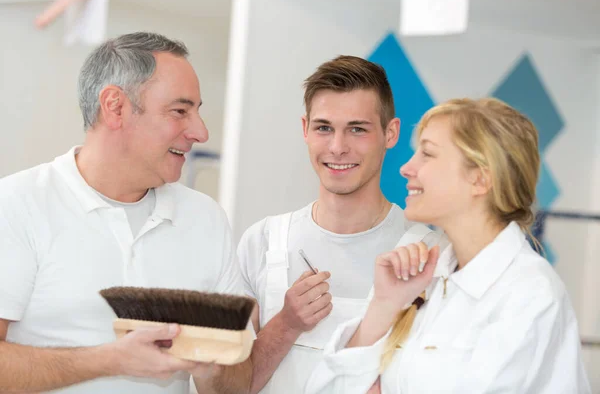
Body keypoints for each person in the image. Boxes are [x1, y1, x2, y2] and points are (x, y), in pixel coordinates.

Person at [0, 32, 251, 394]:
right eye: (180, 111)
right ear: (115, 107)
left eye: (197, 111)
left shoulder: (206, 218)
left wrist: (212, 366)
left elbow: (237, 385)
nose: (200, 131)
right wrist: (110, 359)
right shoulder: (15, 205)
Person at [305, 98, 592, 393]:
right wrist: (384, 306)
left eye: (427, 154)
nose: (406, 167)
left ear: (480, 180)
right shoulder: (421, 277)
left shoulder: (529, 294)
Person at [237, 55, 433, 394]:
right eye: (324, 128)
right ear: (305, 130)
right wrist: (286, 324)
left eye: (357, 129)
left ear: (391, 133)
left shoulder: (429, 254)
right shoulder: (262, 242)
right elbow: (226, 389)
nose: (338, 147)